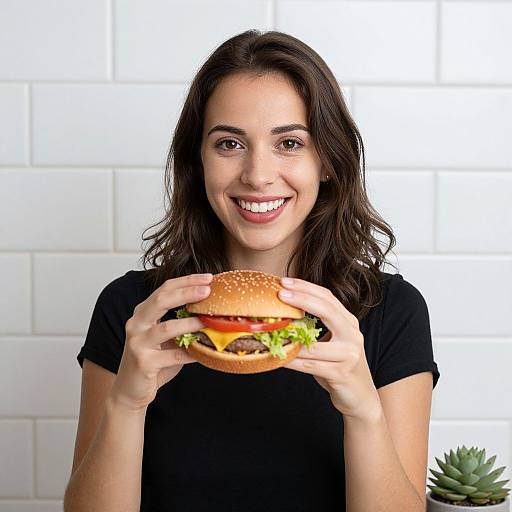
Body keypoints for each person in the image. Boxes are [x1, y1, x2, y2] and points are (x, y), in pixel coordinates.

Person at [64, 30, 440, 512]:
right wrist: (125, 404)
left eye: (288, 142)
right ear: (197, 161)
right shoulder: (134, 310)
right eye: (228, 144)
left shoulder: (391, 311)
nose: (258, 175)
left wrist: (364, 411)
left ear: (326, 160)